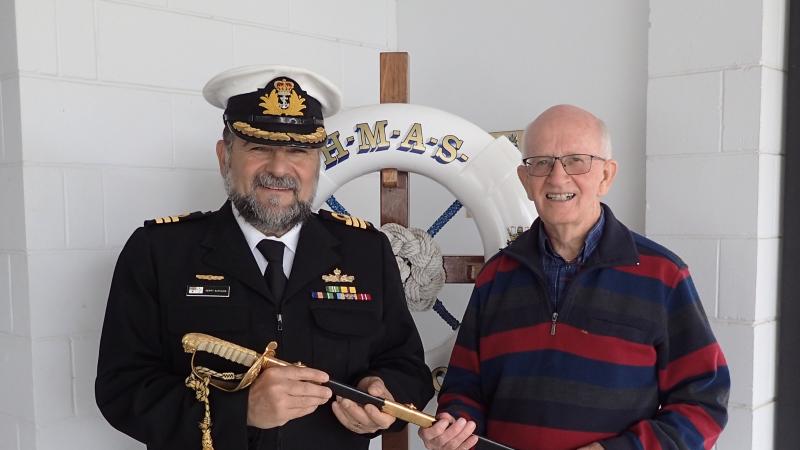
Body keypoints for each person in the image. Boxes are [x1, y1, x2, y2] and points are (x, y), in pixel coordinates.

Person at [95, 65, 433, 450]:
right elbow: (120, 389)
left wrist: (383, 393)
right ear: (225, 156)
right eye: (258, 147)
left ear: (318, 162)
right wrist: (239, 411)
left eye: (298, 151)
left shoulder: (365, 251)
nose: (278, 168)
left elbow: (407, 365)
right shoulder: (159, 252)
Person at [419, 105, 729, 450]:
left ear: (607, 176)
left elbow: (704, 404)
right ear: (525, 180)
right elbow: (464, 386)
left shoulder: (664, 277)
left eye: (576, 160)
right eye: (541, 162)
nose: (557, 177)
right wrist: (454, 422)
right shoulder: (496, 276)